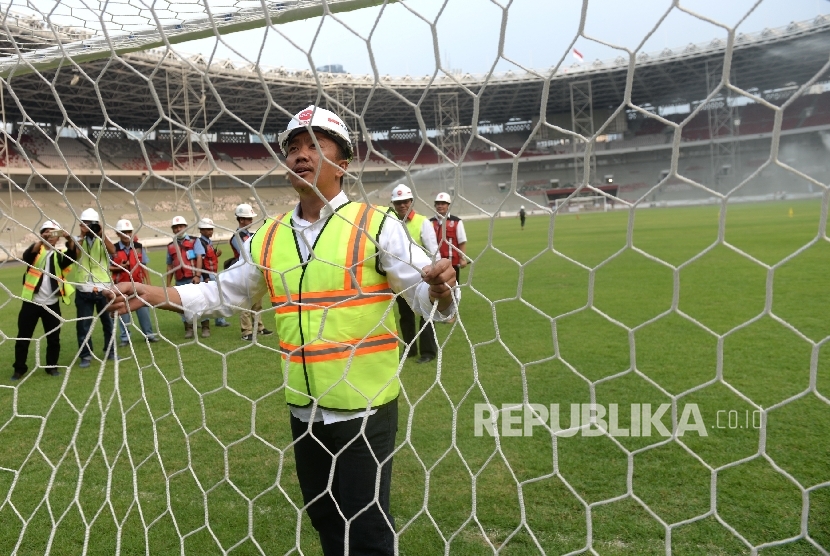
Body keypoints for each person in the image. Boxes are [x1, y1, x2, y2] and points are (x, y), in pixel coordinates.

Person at [106, 105, 459, 556]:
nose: (300, 155)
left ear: (343, 163)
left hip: (364, 410)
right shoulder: (267, 237)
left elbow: (429, 304)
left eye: (314, 145)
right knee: (325, 519)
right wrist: (154, 294)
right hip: (304, 412)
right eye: (293, 148)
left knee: (366, 530)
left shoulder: (378, 226)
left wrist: (443, 291)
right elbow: (223, 293)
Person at [12, 220, 75, 380]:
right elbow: (27, 257)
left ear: (58, 237)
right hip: (31, 303)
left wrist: (69, 238)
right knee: (23, 337)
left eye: (54, 233)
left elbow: (72, 256)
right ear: (42, 234)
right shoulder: (35, 251)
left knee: (53, 338)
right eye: (47, 232)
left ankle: (51, 367)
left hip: (52, 303)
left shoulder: (59, 255)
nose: (51, 236)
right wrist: (42, 240)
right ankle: (19, 369)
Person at [389, 184, 440, 364]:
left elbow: (434, 250)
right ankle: (409, 348)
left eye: (405, 201)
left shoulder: (422, 222)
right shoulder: (391, 224)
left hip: (421, 278)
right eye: (398, 202)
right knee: (405, 316)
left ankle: (428, 352)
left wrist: (435, 273)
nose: (402, 205)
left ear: (411, 201)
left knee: (426, 315)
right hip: (400, 278)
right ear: (393, 204)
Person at [71, 208, 124, 368]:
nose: (88, 227)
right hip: (84, 288)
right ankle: (85, 356)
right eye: (85, 223)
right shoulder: (77, 239)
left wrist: (100, 232)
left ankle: (111, 352)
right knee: (83, 325)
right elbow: (74, 255)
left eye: (91, 224)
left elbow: (113, 251)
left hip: (104, 288)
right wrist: (81, 236)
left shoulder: (103, 239)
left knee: (108, 323)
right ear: (80, 224)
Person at [111, 219, 159, 346]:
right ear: (118, 234)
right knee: (123, 313)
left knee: (144, 311)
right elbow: (107, 267)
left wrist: (148, 283)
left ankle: (149, 335)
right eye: (123, 232)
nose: (127, 234)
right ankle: (125, 338)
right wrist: (118, 267)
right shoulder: (112, 249)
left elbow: (144, 265)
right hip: (121, 286)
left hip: (138, 285)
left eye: (129, 231)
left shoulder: (138, 247)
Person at [230, 203, 272, 341]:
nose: (251, 221)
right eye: (249, 219)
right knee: (246, 303)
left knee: (257, 303)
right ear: (241, 220)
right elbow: (246, 252)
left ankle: (259, 327)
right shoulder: (237, 236)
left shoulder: (250, 235)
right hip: (243, 272)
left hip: (254, 270)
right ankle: (246, 331)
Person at [166, 215, 205, 339]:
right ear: (173, 229)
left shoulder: (195, 241)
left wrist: (198, 275)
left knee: (202, 302)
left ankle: (205, 327)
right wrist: (168, 284)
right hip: (180, 280)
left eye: (180, 226)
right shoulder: (170, 246)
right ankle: (188, 329)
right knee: (182, 306)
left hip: (194, 278)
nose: (178, 229)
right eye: (175, 227)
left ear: (186, 227)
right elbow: (169, 265)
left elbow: (199, 257)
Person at [197, 217, 230, 332]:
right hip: (206, 275)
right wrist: (205, 277)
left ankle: (219, 320)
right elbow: (200, 261)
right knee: (207, 299)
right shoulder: (200, 242)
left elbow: (209, 257)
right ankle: (208, 322)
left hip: (213, 274)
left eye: (211, 229)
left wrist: (216, 254)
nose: (210, 231)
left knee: (217, 297)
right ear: (200, 230)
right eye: (207, 229)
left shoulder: (208, 242)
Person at [430, 192, 468, 281]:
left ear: (448, 206)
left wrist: (463, 259)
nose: (440, 206)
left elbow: (462, 242)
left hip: (452, 263)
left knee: (453, 288)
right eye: (438, 204)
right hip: (434, 263)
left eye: (443, 204)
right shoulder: (429, 222)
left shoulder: (457, 222)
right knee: (437, 288)